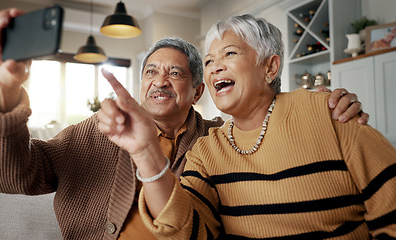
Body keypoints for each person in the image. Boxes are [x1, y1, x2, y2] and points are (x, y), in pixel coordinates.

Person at [0, 8, 368, 240]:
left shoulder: (220, 142)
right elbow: (12, 177)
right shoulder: (92, 132)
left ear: (198, 91)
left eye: (175, 74)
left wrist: (326, 110)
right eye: (151, 71)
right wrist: (2, 94)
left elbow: (268, 126)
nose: (159, 80)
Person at [98, 14, 396, 239]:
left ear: (270, 67)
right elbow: (186, 230)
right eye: (210, 60)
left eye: (229, 53)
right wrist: (145, 152)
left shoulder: (328, 111)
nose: (215, 67)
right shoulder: (207, 150)